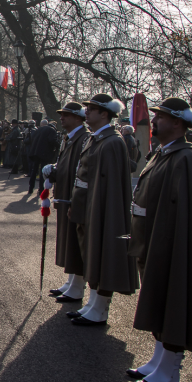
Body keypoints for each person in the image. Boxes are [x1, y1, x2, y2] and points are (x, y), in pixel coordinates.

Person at [126, 98, 192, 382]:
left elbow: (184, 214)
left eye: (161, 117)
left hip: (168, 244)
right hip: (152, 240)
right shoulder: (164, 153)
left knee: (171, 301)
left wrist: (168, 245)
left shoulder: (187, 158)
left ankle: (171, 367)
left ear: (178, 122)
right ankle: (160, 357)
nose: (154, 122)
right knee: (157, 301)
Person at [66, 94, 137, 326]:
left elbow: (113, 186)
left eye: (91, 109)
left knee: (101, 256)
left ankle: (100, 307)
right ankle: (92, 304)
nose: (86, 112)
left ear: (104, 113)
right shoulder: (96, 139)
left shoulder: (112, 141)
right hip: (88, 206)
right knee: (91, 255)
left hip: (101, 208)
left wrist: (102, 212)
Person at [45, 102, 90, 302]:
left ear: (79, 118)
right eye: (62, 114)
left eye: (67, 115)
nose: (62, 118)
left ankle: (77, 285)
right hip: (65, 196)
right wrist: (54, 169)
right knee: (67, 241)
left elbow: (81, 169)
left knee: (74, 242)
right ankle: (72, 280)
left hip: (75, 198)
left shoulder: (83, 138)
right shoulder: (69, 138)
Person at [26, 119, 59, 194]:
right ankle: (41, 189)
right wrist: (57, 146)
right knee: (42, 171)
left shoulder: (39, 129)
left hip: (35, 152)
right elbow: (52, 140)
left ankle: (30, 188)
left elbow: (32, 139)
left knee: (34, 170)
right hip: (44, 152)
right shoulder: (52, 130)